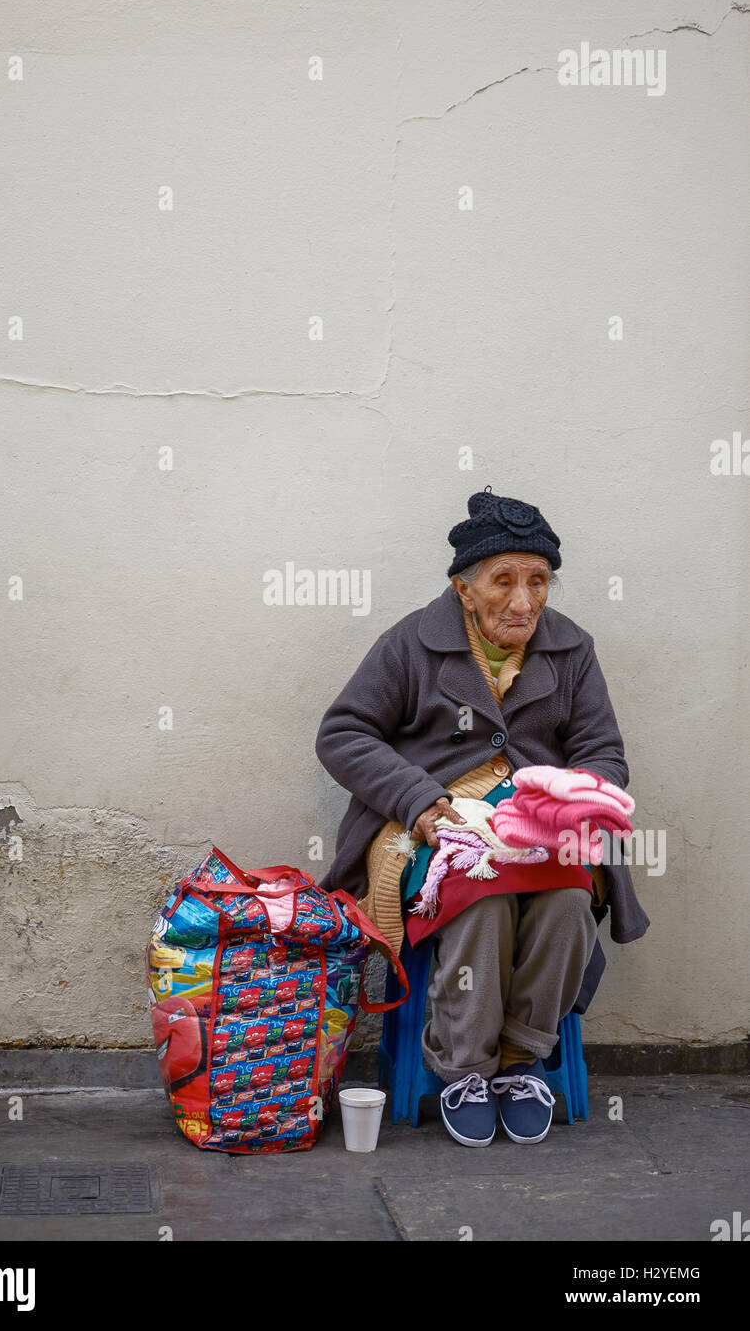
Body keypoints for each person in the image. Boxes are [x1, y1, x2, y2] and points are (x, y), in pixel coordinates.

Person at [315, 488, 649, 1146]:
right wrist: (419, 803)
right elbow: (344, 734)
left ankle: (524, 1059)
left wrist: (565, 804)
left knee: (566, 898)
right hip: (434, 829)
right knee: (482, 899)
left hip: (540, 834)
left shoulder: (571, 648)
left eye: (538, 581)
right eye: (504, 581)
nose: (523, 602)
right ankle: (464, 1065)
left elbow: (602, 752)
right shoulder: (412, 643)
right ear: (465, 590)